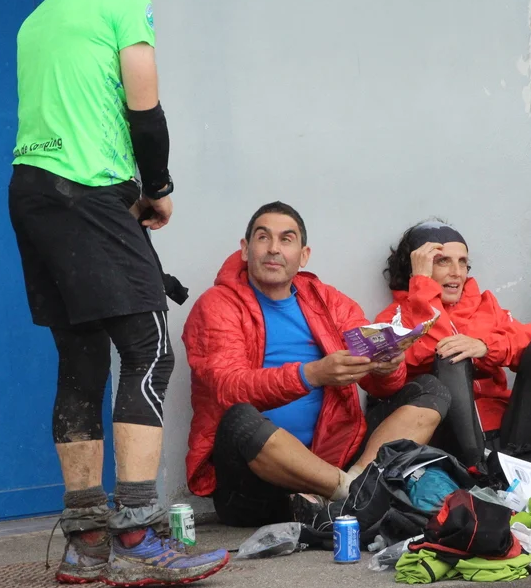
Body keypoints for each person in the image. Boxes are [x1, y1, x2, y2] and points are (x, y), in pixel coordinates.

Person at [8, 0, 229, 587]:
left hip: (31, 192)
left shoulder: (41, 14)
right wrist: (157, 187)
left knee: (81, 361)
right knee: (149, 349)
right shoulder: (123, 1)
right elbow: (144, 113)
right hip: (88, 191)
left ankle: (87, 545)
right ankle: (137, 535)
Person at [182, 203, 450, 527]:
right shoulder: (217, 304)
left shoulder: (328, 301)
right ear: (245, 249)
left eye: (286, 239)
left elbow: (382, 386)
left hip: (336, 457)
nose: (273, 249)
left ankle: (354, 484)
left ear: (303, 255)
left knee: (430, 389)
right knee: (238, 419)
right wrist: (312, 374)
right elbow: (229, 388)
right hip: (257, 484)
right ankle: (352, 493)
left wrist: (386, 366)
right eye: (263, 237)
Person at [377, 221, 531, 467]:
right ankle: (479, 472)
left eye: (462, 262)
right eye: (442, 261)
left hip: (509, 433)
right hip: (452, 443)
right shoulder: (394, 319)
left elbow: (528, 341)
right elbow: (433, 345)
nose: (457, 272)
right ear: (416, 267)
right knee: (451, 354)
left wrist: (486, 346)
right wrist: (422, 286)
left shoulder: (484, 304)